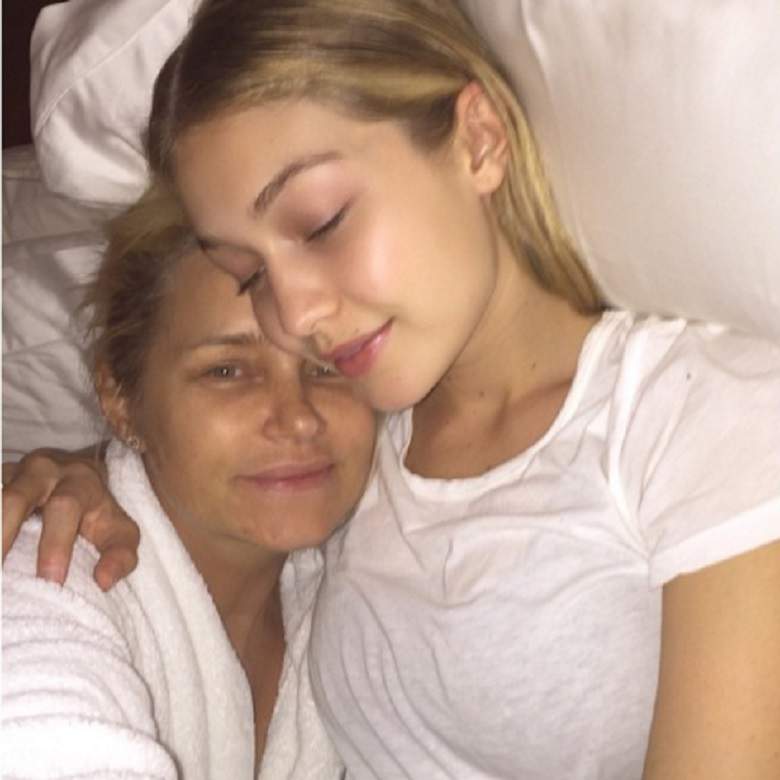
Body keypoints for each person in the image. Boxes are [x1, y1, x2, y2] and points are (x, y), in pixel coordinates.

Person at [4, 0, 780, 777]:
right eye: (250, 271)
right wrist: (88, 469)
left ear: (479, 140)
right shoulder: (363, 449)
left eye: (320, 223)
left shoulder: (695, 416)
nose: (294, 316)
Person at [1, 182, 377, 779]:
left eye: (326, 365)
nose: (299, 417)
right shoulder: (47, 575)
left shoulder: (358, 591)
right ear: (121, 401)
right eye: (227, 370)